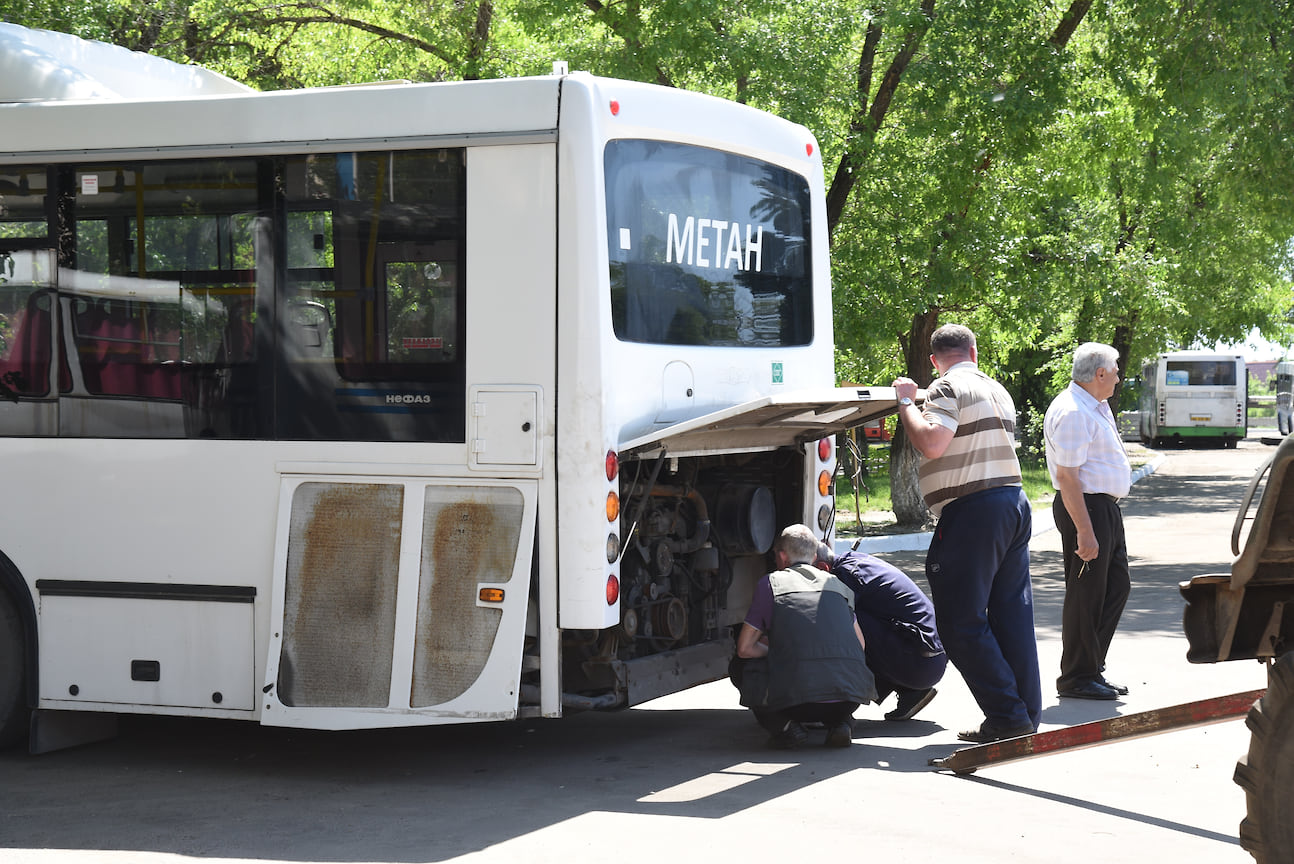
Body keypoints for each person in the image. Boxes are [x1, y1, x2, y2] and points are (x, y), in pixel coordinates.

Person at [892, 323, 1041, 743]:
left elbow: (934, 443)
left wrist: (907, 403)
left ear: (935, 360)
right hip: (1012, 503)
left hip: (973, 513)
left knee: (959, 623)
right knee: (1012, 616)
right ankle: (1025, 716)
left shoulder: (945, 387)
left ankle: (1007, 716)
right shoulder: (997, 390)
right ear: (974, 353)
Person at [732, 524, 877, 749]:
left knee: (740, 666)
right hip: (849, 698)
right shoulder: (837, 584)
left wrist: (778, 650)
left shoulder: (770, 583)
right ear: (814, 555)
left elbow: (744, 648)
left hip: (797, 702)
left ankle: (786, 727)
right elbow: (860, 644)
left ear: (781, 556)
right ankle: (840, 723)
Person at [1044, 342, 1132, 701]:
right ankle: (1077, 676)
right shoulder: (1074, 411)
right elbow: (1067, 476)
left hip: (1103, 507)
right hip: (1086, 508)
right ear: (1099, 374)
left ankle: (1091, 667)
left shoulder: (1094, 404)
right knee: (1087, 595)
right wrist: (1084, 530)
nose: (1118, 377)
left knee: (1115, 588)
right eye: (1114, 371)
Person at [817, 543, 946, 721]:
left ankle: (838, 704)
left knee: (841, 622)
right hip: (931, 658)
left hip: (919, 662)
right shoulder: (854, 561)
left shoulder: (844, 576)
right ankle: (910, 691)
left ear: (823, 568)